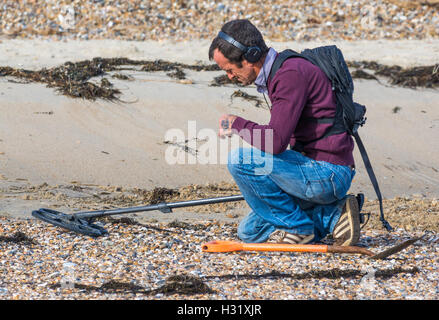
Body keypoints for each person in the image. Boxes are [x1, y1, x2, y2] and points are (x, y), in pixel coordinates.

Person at [208, 19, 361, 246]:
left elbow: (276, 141)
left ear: (250, 57)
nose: (230, 77)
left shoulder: (290, 74)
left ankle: (298, 227)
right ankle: (334, 217)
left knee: (240, 160)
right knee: (250, 232)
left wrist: (236, 123)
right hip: (309, 170)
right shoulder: (280, 73)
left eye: (230, 70)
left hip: (327, 173)